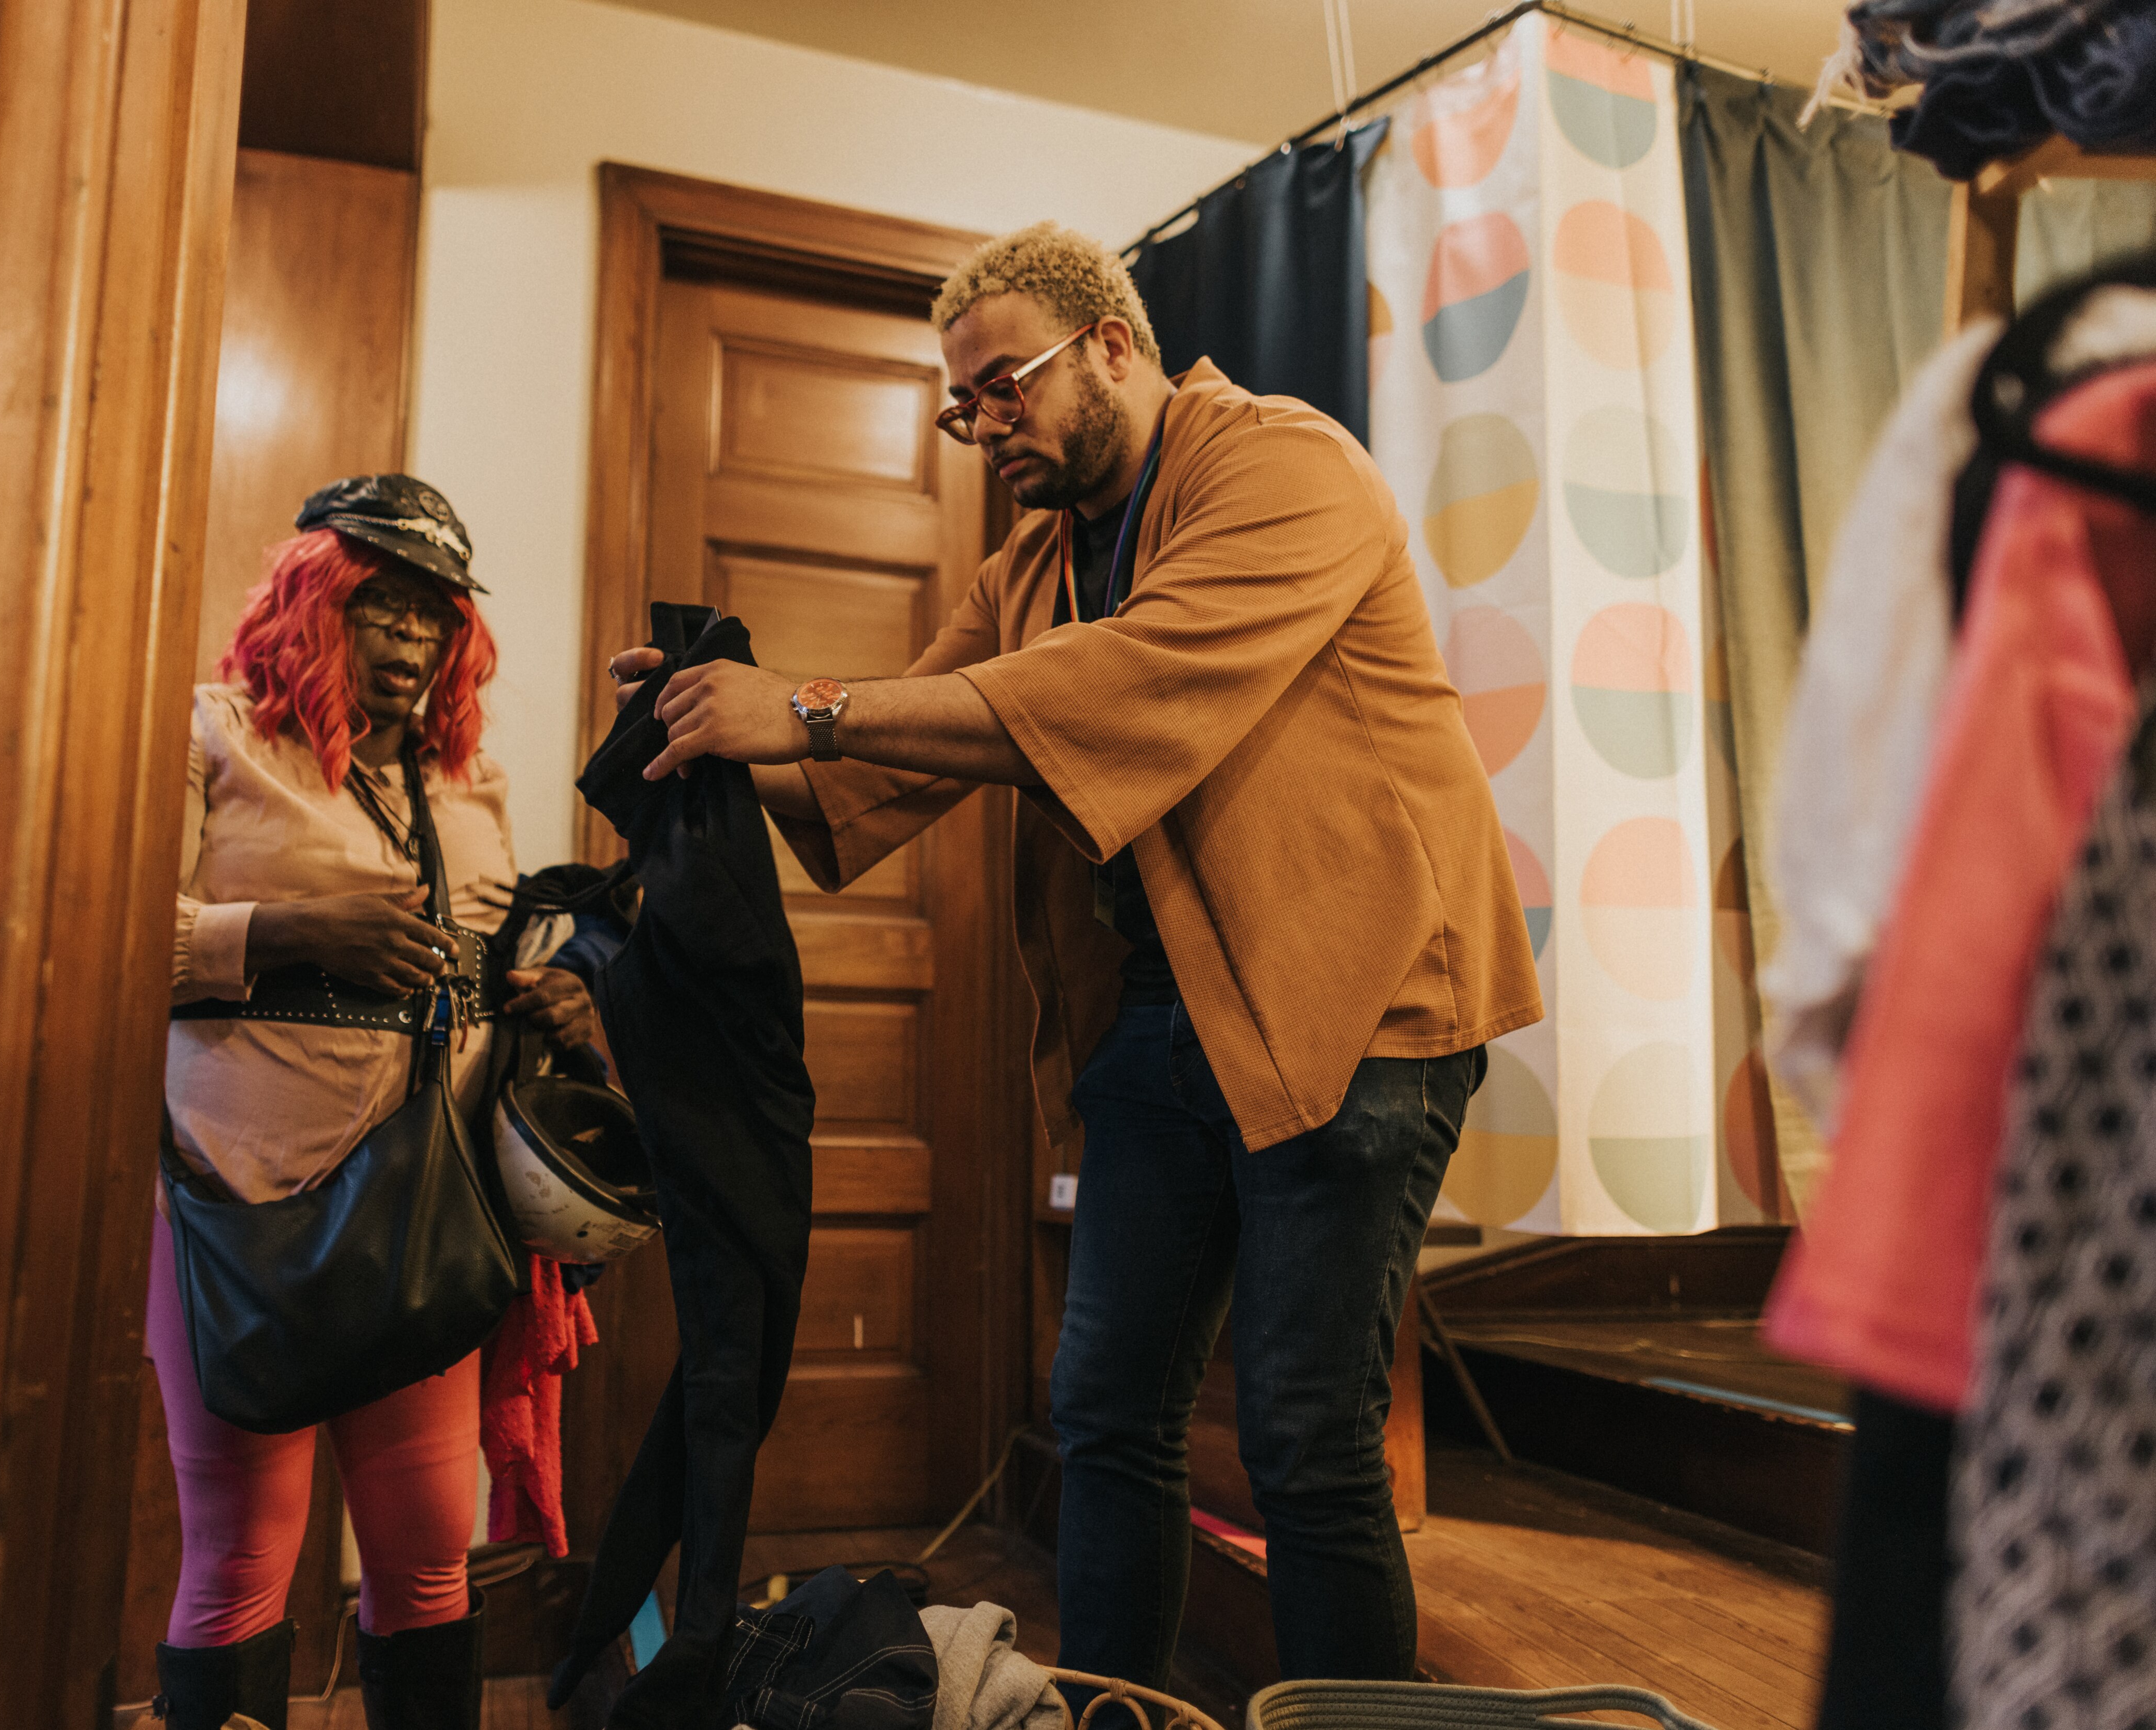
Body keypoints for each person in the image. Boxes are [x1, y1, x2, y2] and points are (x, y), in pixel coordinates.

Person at [609, 224, 1541, 1690]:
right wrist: (713, 732)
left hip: (1363, 1011)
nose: (984, 428)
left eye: (1005, 387)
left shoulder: (1283, 466)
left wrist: (802, 704)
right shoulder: (1029, 564)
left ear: (1113, 343)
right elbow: (889, 759)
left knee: (1306, 1439)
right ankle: (1123, 1719)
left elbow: (1121, 683)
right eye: (961, 406)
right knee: (1104, 1412)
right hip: (1163, 1028)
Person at [153, 475, 600, 1730]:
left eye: (432, 617)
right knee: (242, 1557)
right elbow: (106, 936)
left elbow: (481, 963)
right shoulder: (215, 736)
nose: (408, 640)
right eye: (378, 608)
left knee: (424, 1557)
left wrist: (553, 997)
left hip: (425, 1210)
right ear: (313, 602)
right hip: (247, 1207)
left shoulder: (473, 786)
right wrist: (287, 934)